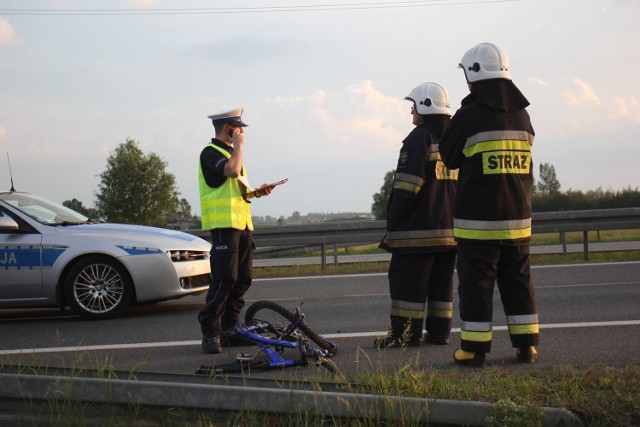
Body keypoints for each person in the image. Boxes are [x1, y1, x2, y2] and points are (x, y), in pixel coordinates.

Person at [439, 42, 539, 367]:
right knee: (518, 281)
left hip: (479, 224)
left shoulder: (468, 116)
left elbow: (450, 158)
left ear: (473, 75)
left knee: (476, 285)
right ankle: (526, 346)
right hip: (518, 221)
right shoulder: (523, 115)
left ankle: (474, 349)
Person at [374, 82, 458, 349]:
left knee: (407, 287)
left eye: (413, 108)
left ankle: (404, 336)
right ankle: (439, 333)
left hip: (416, 235)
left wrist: (394, 221)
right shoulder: (454, 138)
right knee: (441, 289)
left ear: (425, 107)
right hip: (449, 234)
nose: (411, 114)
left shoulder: (419, 137)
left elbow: (407, 187)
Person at [197, 107, 274, 354]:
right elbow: (230, 171)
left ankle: (231, 329)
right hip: (224, 226)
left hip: (242, 226)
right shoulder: (210, 153)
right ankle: (210, 330)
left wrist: (257, 191)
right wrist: (240, 146)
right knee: (224, 279)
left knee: (242, 279)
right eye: (239, 129)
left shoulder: (232, 154)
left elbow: (237, 189)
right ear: (229, 129)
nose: (242, 133)